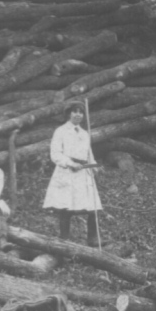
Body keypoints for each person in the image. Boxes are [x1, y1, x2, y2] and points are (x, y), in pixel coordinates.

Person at [42, 103, 102, 246]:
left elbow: (89, 153)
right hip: (67, 172)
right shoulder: (60, 131)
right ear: (69, 114)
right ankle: (65, 239)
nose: (78, 115)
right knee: (66, 206)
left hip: (83, 172)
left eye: (81, 112)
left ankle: (93, 239)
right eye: (75, 111)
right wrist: (70, 163)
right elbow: (55, 154)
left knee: (92, 207)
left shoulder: (84, 133)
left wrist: (93, 165)